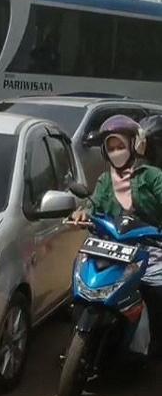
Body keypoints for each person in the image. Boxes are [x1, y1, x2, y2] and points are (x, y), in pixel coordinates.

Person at [72, 114, 162, 357]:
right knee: (83, 286)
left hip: (151, 247)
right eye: (111, 148)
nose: (116, 152)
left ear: (134, 146)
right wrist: (83, 213)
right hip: (111, 246)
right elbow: (93, 206)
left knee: (155, 290)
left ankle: (152, 346)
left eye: (121, 146)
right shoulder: (104, 180)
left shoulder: (152, 176)